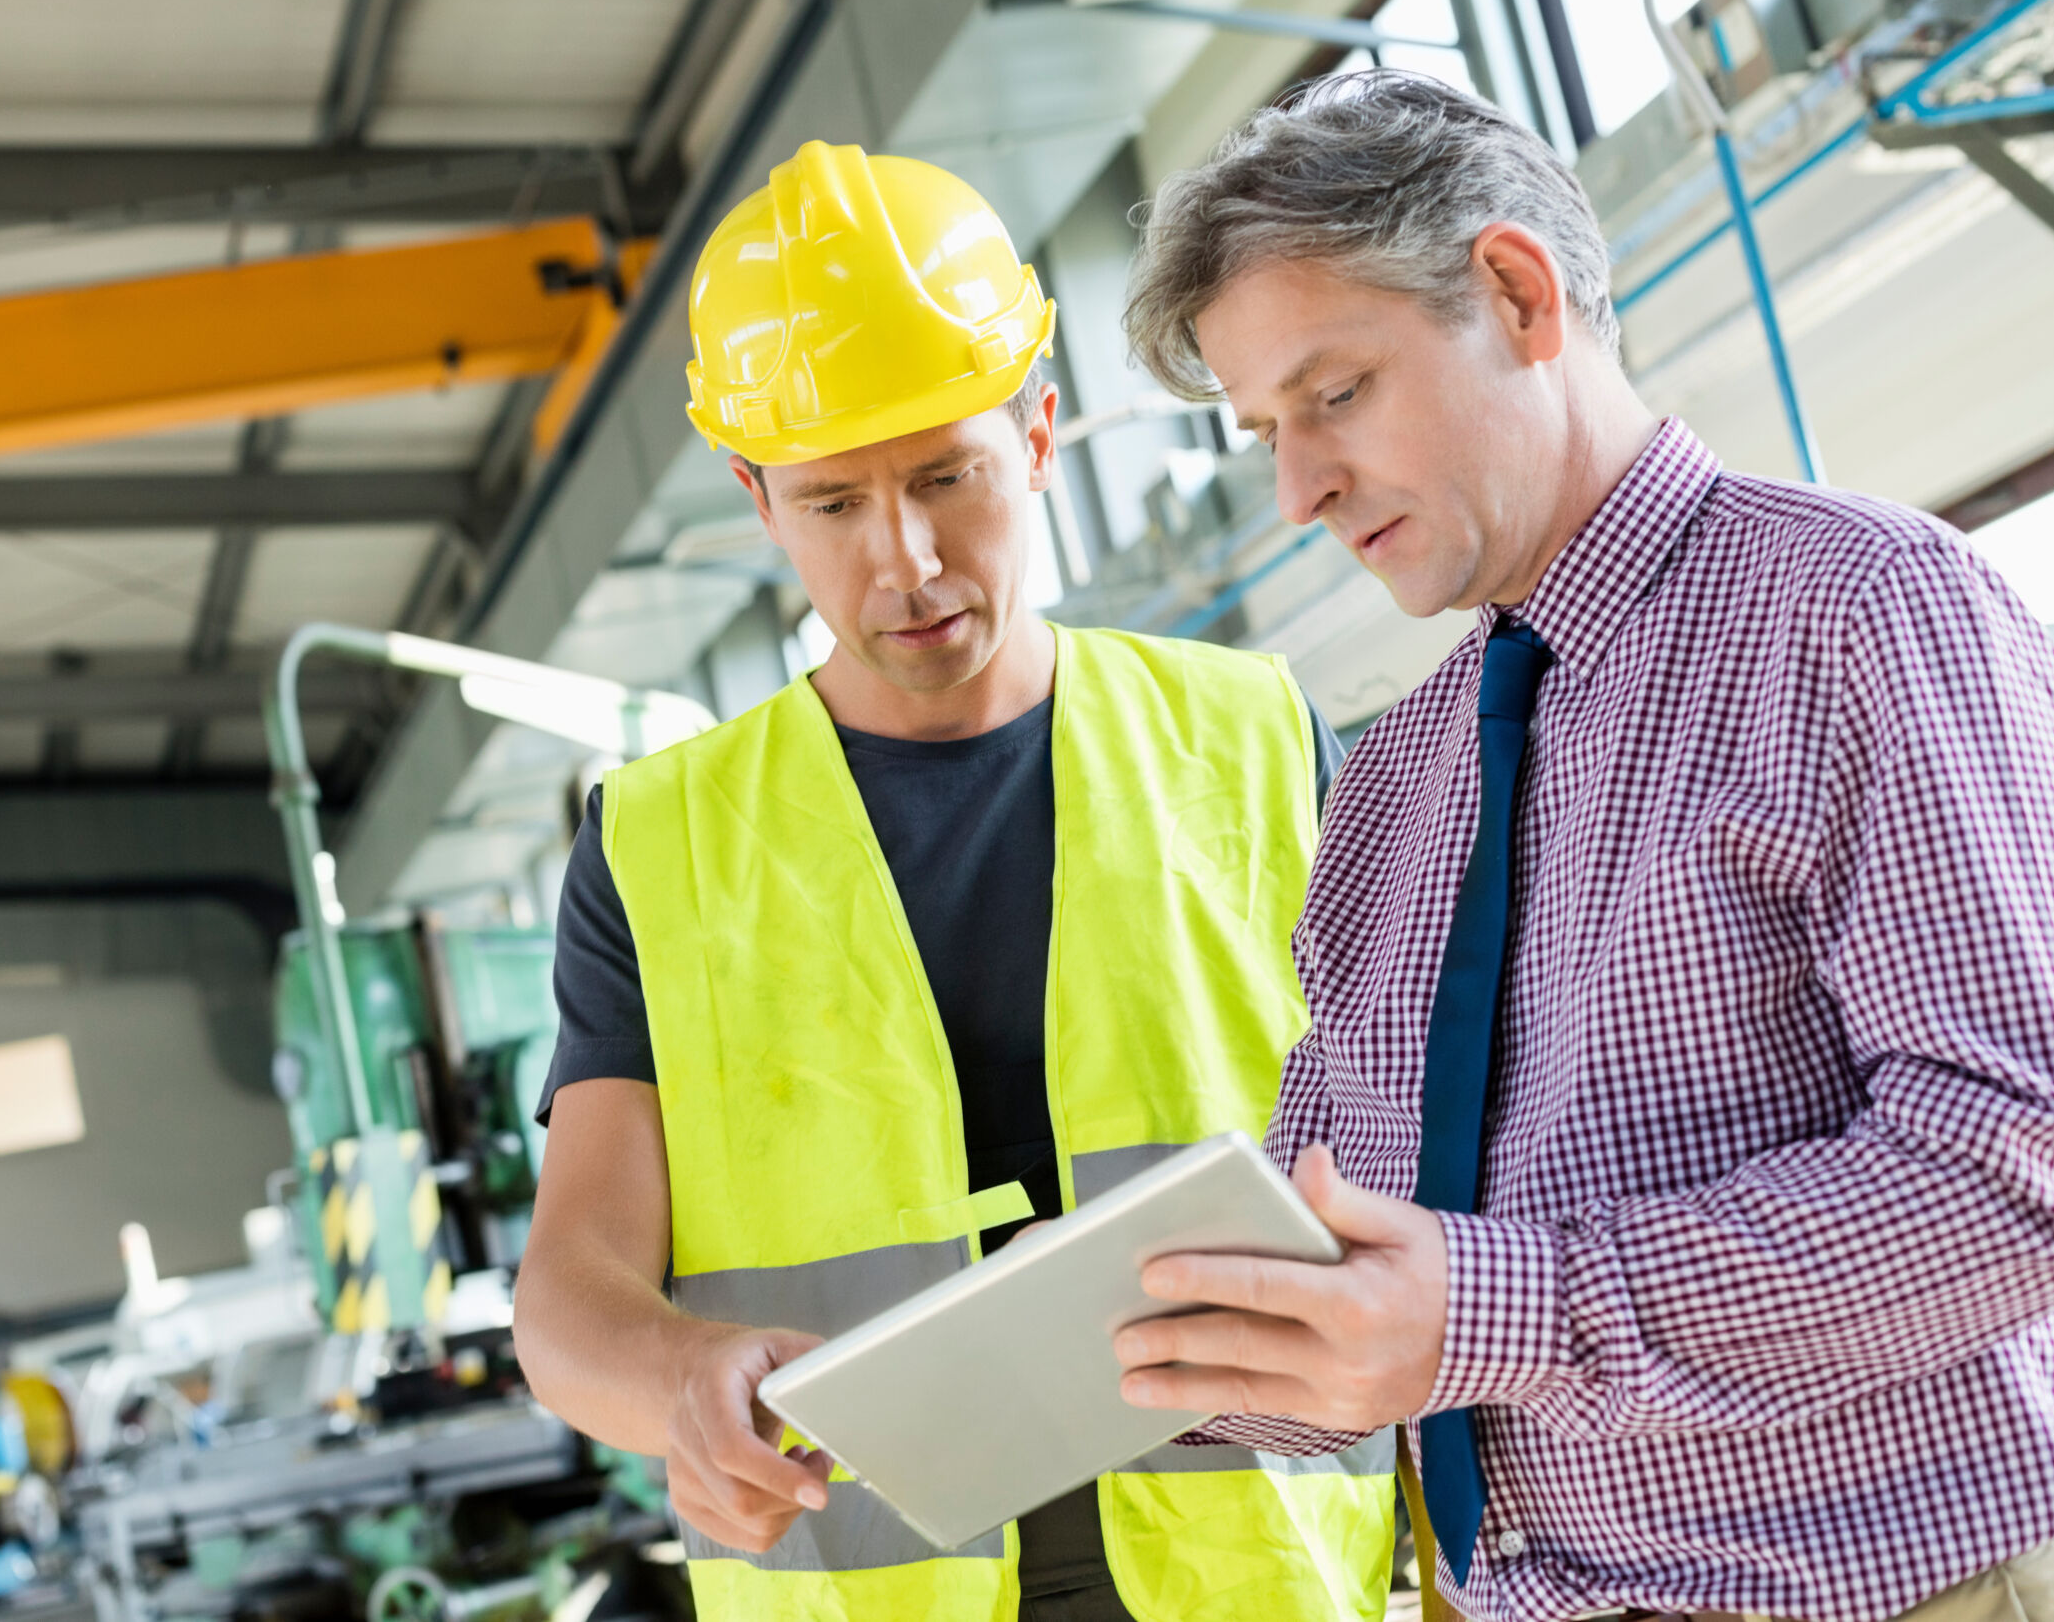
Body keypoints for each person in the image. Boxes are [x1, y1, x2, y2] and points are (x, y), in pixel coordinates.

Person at [1107, 67, 2054, 1621]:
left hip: (1914, 1586)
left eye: (1334, 394)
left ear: (1517, 293)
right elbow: (1366, 1282)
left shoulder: (1859, 612)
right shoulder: (1392, 788)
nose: (1298, 490)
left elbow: (2031, 1160)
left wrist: (1510, 1309)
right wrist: (1092, 1362)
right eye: (1266, 432)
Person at [511, 139, 1396, 1621]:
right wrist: (680, 1383)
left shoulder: (1250, 736)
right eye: (833, 506)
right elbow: (568, 1295)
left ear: (1038, 433)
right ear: (756, 499)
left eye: (946, 476)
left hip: (1265, 1568)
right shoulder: (659, 848)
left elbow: (1424, 1137)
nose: (907, 561)